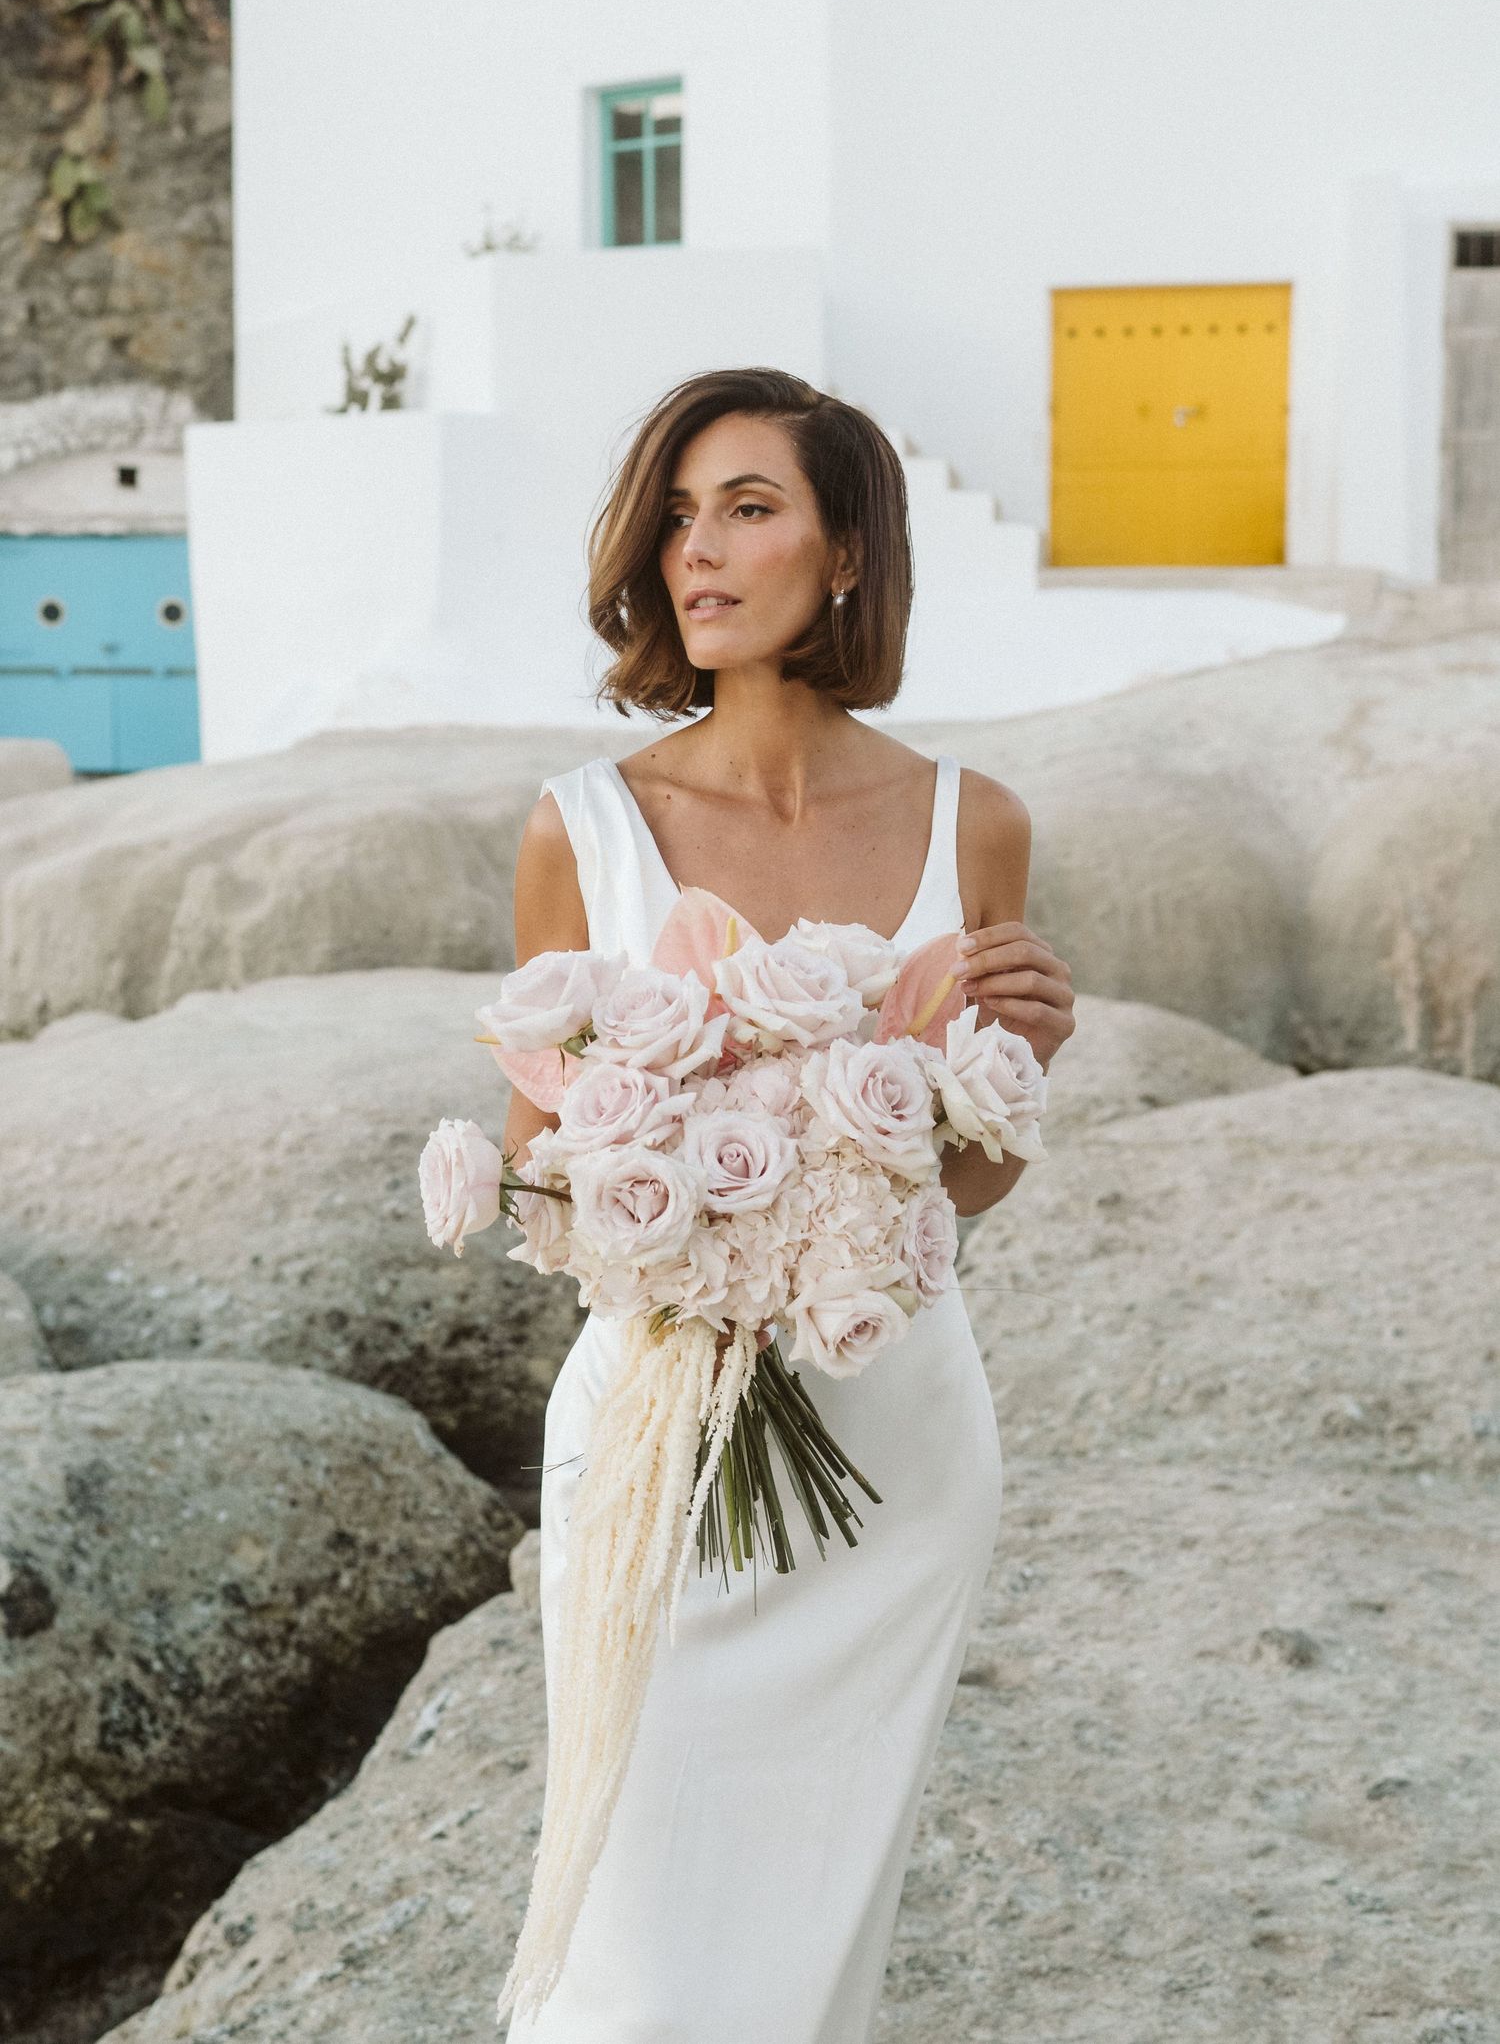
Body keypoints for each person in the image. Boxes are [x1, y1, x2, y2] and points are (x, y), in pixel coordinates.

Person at [501, 367, 1076, 2043]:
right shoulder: (583, 828)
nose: (700, 548)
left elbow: (959, 1182)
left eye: (749, 505)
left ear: (845, 554)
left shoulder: (976, 823)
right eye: (678, 514)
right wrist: (643, 1177)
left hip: (892, 1441)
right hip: (654, 1443)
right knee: (639, 1942)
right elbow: (543, 1168)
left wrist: (1021, 1059)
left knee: (816, 1942)